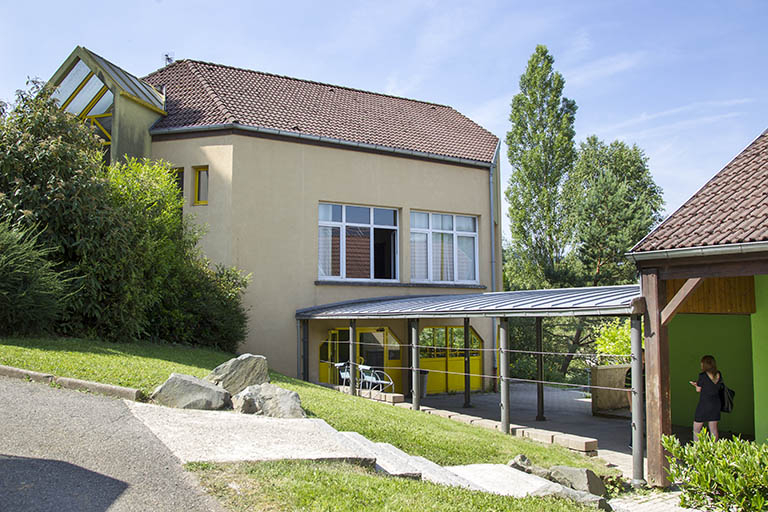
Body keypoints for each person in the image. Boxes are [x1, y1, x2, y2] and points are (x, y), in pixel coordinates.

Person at [689, 355, 722, 441]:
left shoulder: (702, 375)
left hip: (704, 403)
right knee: (713, 429)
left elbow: (698, 390)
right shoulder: (718, 374)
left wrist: (696, 385)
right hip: (716, 403)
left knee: (697, 429)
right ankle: (715, 447)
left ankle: (697, 447)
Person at [625, 349, 645, 448]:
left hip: (647, 398)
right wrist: (631, 405)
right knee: (636, 421)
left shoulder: (648, 369)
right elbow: (628, 389)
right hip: (637, 399)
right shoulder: (631, 372)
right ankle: (633, 443)